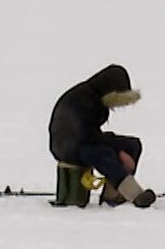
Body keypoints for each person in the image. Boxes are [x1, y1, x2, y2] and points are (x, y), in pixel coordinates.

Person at [48, 64, 156, 208]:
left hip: (84, 140)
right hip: (67, 147)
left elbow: (91, 134)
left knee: (132, 144)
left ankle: (113, 195)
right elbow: (85, 136)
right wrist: (118, 152)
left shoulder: (94, 98)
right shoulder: (82, 99)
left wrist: (119, 147)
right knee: (104, 154)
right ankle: (135, 194)